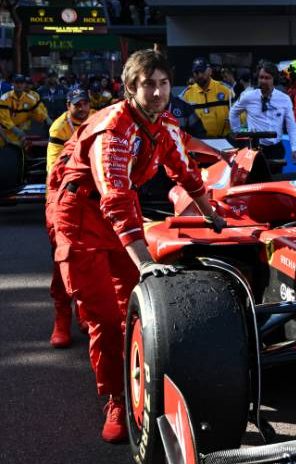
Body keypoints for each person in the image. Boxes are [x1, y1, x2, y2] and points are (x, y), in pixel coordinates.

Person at [49, 49, 225, 443]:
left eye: (164, 83)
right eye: (149, 84)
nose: (158, 92)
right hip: (76, 210)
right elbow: (113, 195)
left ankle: (135, 371)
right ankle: (113, 396)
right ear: (130, 88)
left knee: (132, 304)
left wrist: (212, 215)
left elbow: (186, 170)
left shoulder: (165, 125)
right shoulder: (114, 128)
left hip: (116, 212)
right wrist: (145, 259)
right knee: (101, 315)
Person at [45, 88, 93, 348]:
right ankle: (61, 320)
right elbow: (56, 172)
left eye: (86, 103)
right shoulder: (58, 128)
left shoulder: (97, 119)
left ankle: (83, 313)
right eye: (78, 104)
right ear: (68, 105)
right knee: (62, 261)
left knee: (90, 261)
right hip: (60, 198)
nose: (83, 108)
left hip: (90, 197)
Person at [229, 61, 296, 175]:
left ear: (274, 80)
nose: (263, 81)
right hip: (254, 149)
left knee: (274, 184)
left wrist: (295, 148)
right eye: (261, 77)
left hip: (276, 149)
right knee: (255, 183)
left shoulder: (284, 99)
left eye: (267, 78)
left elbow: (291, 125)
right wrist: (238, 133)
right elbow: (233, 112)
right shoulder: (248, 96)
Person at [180, 57, 233, 138]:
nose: (200, 75)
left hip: (224, 141)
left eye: (202, 71)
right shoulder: (186, 95)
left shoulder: (225, 90)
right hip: (199, 143)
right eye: (196, 72)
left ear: (210, 71)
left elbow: (240, 115)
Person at [0, 74, 50, 144]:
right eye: (16, 83)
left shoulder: (30, 98)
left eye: (21, 83)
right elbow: (4, 119)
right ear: (12, 84)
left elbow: (39, 113)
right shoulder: (4, 99)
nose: (19, 85)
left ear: (24, 84)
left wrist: (46, 119)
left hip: (23, 134)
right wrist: (15, 129)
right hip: (5, 135)